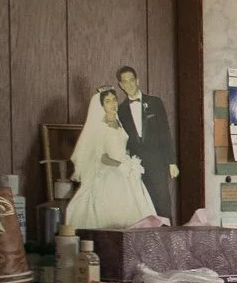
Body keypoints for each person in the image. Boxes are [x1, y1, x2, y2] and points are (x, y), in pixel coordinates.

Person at [65, 87, 159, 230]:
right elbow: (102, 157)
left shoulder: (119, 123)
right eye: (107, 101)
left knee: (136, 206)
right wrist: (120, 165)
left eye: (114, 100)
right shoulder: (100, 127)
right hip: (109, 171)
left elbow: (122, 147)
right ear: (102, 105)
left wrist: (130, 163)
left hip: (126, 171)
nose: (112, 104)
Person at [113, 65, 177, 218]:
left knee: (162, 203)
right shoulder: (120, 110)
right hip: (137, 166)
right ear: (120, 85)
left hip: (157, 163)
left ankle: (167, 238)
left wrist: (172, 162)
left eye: (132, 80)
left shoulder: (155, 102)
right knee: (143, 207)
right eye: (124, 82)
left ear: (138, 81)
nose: (129, 85)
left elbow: (165, 132)